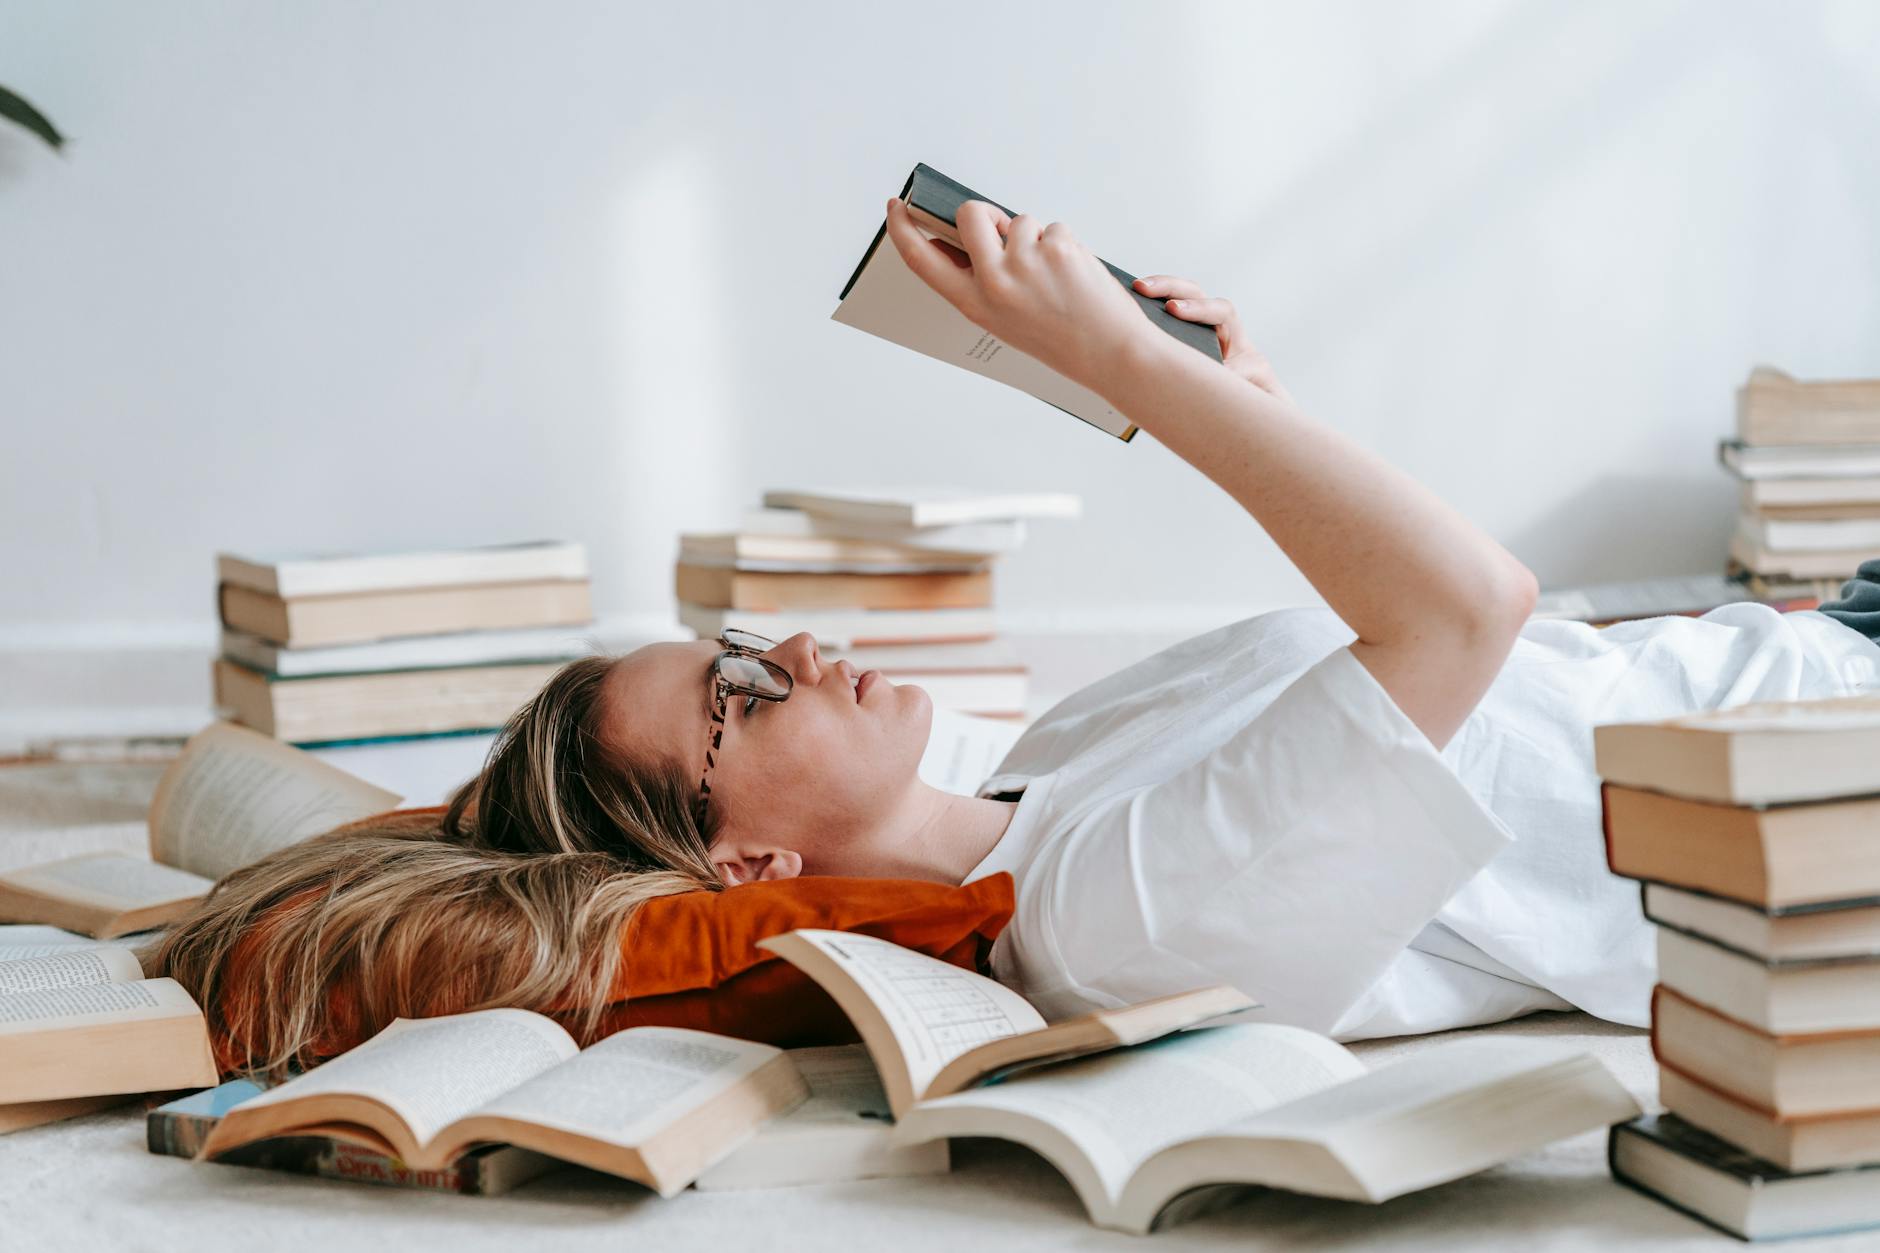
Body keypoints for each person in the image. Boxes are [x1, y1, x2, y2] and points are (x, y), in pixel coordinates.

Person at [151, 198, 1880, 1073]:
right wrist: (1125, 371)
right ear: (744, 851)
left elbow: (1431, 649)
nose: (801, 651)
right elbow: (1464, 611)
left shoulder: (1040, 780)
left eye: (748, 639)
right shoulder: (1111, 918)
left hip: (1791, 636)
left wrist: (1230, 395)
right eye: (740, 695)